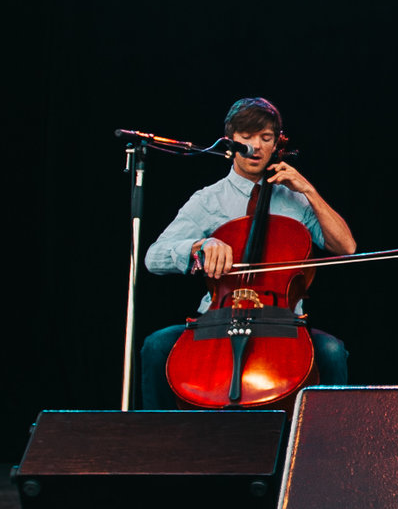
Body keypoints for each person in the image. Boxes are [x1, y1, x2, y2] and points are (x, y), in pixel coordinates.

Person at [138, 98, 355, 407]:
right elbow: (154, 257)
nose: (256, 147)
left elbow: (346, 247)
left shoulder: (295, 200)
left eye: (265, 138)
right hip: (217, 319)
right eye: (247, 137)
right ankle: (157, 446)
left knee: (332, 352)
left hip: (280, 323)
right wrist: (200, 246)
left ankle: (323, 453)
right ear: (230, 141)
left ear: (276, 142)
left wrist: (308, 191)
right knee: (156, 346)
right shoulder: (209, 200)